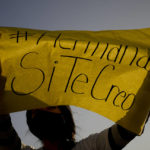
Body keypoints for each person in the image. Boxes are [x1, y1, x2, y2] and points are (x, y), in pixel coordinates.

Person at [0, 67, 148, 150]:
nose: (41, 108)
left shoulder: (92, 146)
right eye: (35, 109)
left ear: (65, 115)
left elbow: (129, 127)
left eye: (50, 106)